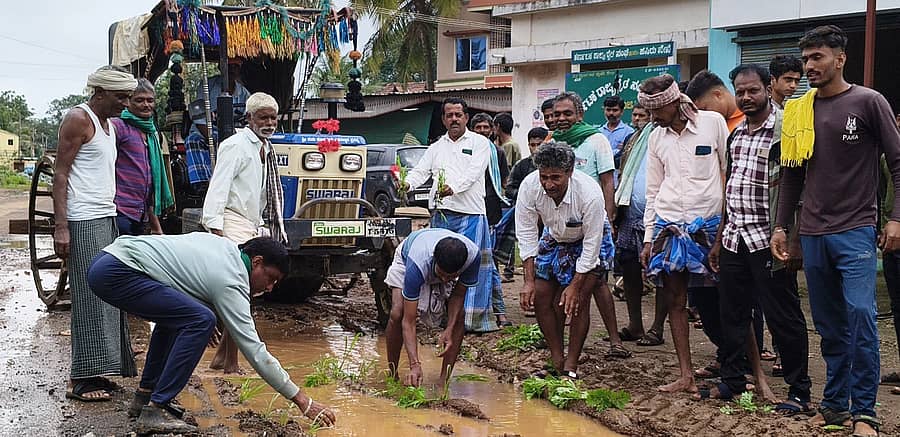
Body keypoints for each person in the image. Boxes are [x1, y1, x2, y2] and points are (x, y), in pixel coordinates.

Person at [772, 25, 900, 437]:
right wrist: (781, 227)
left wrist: (896, 218)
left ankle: (865, 413)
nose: (809, 66)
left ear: (840, 58)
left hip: (856, 229)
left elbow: (898, 164)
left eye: (817, 58)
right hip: (812, 232)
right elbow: (792, 174)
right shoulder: (799, 109)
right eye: (806, 59)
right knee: (828, 325)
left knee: (862, 316)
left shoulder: (868, 102)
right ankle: (833, 407)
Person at [87, 234, 335, 434]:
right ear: (257, 262)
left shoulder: (226, 249)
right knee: (200, 319)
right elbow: (255, 351)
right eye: (270, 278)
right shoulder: (232, 280)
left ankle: (146, 397)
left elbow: (187, 279)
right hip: (119, 271)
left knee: (182, 318)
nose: (269, 288)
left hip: (109, 259)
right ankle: (156, 409)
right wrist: (303, 401)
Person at [702, 64, 812, 411]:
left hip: (770, 240)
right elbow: (731, 189)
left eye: (753, 90)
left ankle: (799, 391)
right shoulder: (738, 134)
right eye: (741, 91)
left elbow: (800, 189)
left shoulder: (784, 130)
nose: (746, 97)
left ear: (768, 88)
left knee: (783, 316)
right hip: (736, 238)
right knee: (733, 314)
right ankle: (733, 380)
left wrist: (793, 239)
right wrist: (720, 238)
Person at [638, 73, 729, 393]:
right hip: (669, 225)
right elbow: (653, 189)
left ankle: (737, 368)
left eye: (656, 111)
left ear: (674, 102)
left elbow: (728, 172)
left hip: (710, 225)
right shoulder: (655, 137)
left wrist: (725, 227)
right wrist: (650, 237)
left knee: (725, 299)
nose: (652, 118)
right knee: (675, 300)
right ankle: (686, 374)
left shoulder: (713, 123)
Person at [54, 66, 138, 402]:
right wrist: (61, 227)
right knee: (89, 295)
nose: (125, 103)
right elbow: (60, 175)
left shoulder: (109, 125)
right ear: (99, 93)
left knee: (108, 292)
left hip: (106, 216)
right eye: (120, 97)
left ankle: (100, 369)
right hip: (82, 218)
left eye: (127, 97)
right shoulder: (78, 119)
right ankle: (81, 378)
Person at [202, 92, 288, 374]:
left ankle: (224, 359)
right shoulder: (236, 146)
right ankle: (230, 361)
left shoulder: (265, 147)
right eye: (263, 117)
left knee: (243, 296)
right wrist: (215, 229)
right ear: (249, 118)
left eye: (273, 117)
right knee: (240, 296)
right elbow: (219, 186)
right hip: (230, 221)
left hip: (250, 223)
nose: (269, 122)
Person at [403, 98, 497, 332]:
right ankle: (441, 315)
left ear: (466, 117)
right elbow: (420, 171)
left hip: (470, 212)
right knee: (441, 265)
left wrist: (453, 187)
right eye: (449, 115)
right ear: (443, 119)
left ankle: (471, 321)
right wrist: (406, 184)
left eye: (458, 114)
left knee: (471, 265)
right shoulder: (436, 147)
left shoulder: (480, 143)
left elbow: (475, 173)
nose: (453, 119)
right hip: (441, 212)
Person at [517, 142, 607, 377]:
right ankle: (557, 356)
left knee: (576, 302)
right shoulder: (529, 187)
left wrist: (575, 285)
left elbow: (591, 246)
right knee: (541, 296)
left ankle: (571, 365)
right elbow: (526, 233)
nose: (548, 184)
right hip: (554, 236)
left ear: (570, 172)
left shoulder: (590, 195)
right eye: (544, 177)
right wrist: (527, 280)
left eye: (555, 177)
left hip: (589, 240)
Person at [552, 92, 629, 359]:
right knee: (567, 282)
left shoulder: (596, 141)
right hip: (563, 225)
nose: (561, 119)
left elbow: (608, 182)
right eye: (557, 114)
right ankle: (567, 344)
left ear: (580, 115)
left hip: (595, 222)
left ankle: (615, 341)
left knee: (597, 283)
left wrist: (609, 219)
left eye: (567, 113)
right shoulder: (555, 143)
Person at [385, 229, 480, 386]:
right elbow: (409, 321)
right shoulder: (417, 265)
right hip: (406, 258)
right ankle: (392, 374)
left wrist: (449, 329)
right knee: (398, 313)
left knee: (459, 318)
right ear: (434, 261)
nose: (444, 279)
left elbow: (458, 296)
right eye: (442, 274)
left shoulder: (473, 258)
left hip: (437, 264)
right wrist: (415, 364)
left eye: (450, 277)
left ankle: (444, 381)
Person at [613, 105, 669, 347]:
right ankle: (635, 324)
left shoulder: (670, 136)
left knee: (662, 273)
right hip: (630, 213)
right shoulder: (634, 138)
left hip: (662, 215)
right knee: (629, 268)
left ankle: (657, 328)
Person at [111, 78, 173, 236]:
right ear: (128, 102)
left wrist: (155, 225)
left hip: (141, 213)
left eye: (150, 100)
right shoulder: (119, 127)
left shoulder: (152, 133)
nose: (146, 105)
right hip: (120, 210)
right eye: (139, 100)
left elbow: (149, 183)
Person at [495, 127, 547, 314]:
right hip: (527, 219)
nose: (535, 149)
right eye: (532, 145)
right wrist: (527, 199)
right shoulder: (523, 166)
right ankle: (532, 300)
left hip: (549, 223)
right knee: (529, 257)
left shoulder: (553, 166)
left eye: (539, 144)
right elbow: (510, 188)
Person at [470, 113, 512, 327]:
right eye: (478, 127)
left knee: (490, 264)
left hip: (492, 213)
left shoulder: (498, 153)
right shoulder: (466, 152)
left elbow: (503, 181)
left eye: (486, 127)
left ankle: (498, 311)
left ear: (492, 130)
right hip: (470, 212)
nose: (482, 131)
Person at [600, 95, 635, 167]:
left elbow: (628, 156)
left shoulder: (630, 132)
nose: (611, 113)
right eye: (608, 110)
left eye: (615, 110)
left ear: (622, 112)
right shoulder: (599, 132)